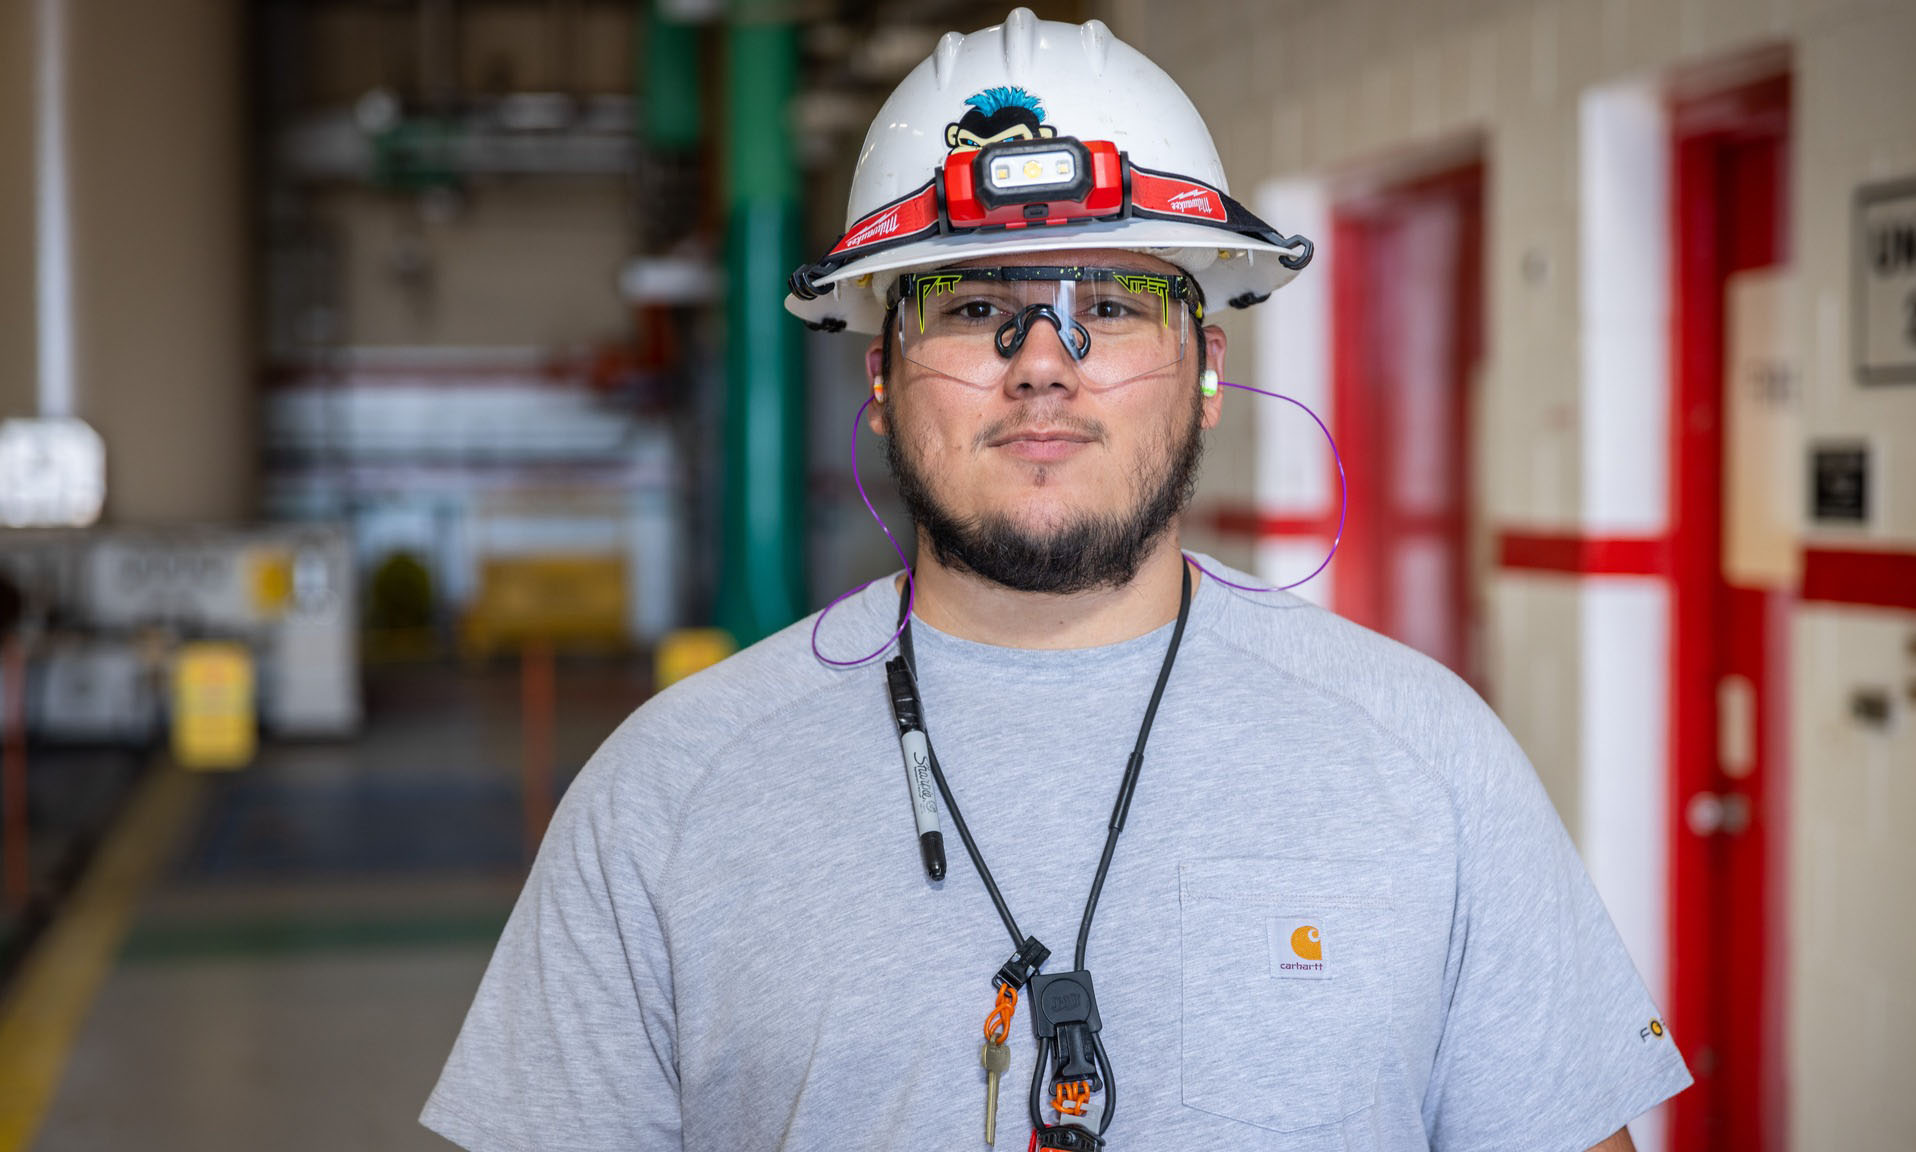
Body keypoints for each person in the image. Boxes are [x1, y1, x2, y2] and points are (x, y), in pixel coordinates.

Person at [422, 10, 1691, 1151]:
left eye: (1116, 304)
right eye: (975, 311)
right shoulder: (669, 793)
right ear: (877, 377)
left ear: (1205, 364)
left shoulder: (1429, 760)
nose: (1043, 364)